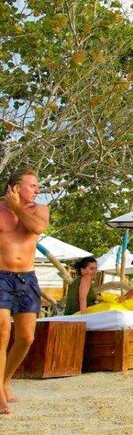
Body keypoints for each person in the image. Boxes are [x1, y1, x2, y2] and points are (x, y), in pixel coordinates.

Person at [0, 167, 50, 414]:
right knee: (2, 332)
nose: (37, 190)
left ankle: (4, 382)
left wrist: (17, 207)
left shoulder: (39, 210)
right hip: (1, 277)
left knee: (27, 337)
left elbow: (37, 229)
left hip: (27, 278)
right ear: (16, 187)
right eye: (33, 186)